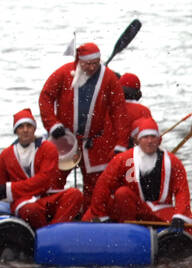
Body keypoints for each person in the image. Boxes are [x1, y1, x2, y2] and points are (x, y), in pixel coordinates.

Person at [82, 118, 192, 257]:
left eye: (153, 137)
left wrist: (179, 215)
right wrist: (100, 214)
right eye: (145, 137)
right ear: (138, 140)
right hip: (132, 207)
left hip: (161, 209)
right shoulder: (123, 159)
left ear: (159, 140)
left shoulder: (173, 162)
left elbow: (182, 191)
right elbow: (103, 186)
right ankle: (122, 234)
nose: (149, 141)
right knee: (122, 193)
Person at [38, 42, 128, 208]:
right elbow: (46, 97)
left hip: (95, 143)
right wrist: (52, 125)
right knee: (53, 182)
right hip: (64, 140)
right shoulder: (64, 73)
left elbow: (119, 111)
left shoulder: (108, 78)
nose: (92, 68)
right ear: (79, 61)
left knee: (95, 187)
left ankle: (90, 218)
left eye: (95, 63)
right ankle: (54, 215)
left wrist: (121, 144)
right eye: (88, 64)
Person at [0, 109, 81, 230]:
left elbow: (44, 181)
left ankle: (54, 230)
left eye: (29, 126)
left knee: (75, 195)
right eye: (21, 127)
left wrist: (10, 190)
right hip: (23, 202)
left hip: (47, 198)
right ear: (16, 131)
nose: (25, 130)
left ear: (34, 128)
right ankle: (47, 232)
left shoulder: (48, 148)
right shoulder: (6, 155)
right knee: (30, 210)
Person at [117, 73, 154, 152]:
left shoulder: (111, 108)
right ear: (138, 93)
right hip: (132, 155)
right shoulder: (143, 111)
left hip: (110, 155)